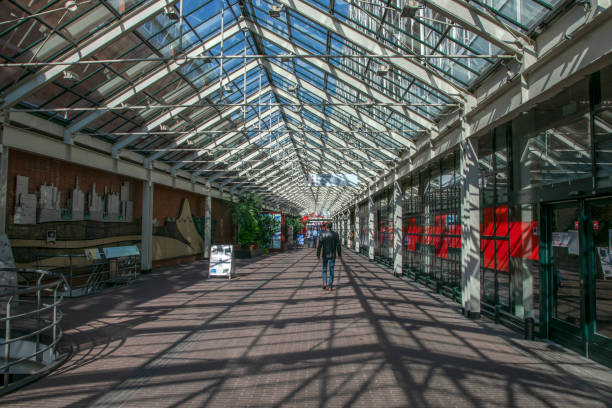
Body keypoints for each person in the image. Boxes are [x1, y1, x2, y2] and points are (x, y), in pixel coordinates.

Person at [317, 221, 341, 291]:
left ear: (326, 227)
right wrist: (339, 254)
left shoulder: (322, 234)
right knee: (331, 270)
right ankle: (330, 286)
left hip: (325, 255)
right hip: (332, 255)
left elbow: (319, 245)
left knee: (324, 269)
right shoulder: (336, 234)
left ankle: (324, 282)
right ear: (331, 226)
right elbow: (338, 245)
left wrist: (318, 254)